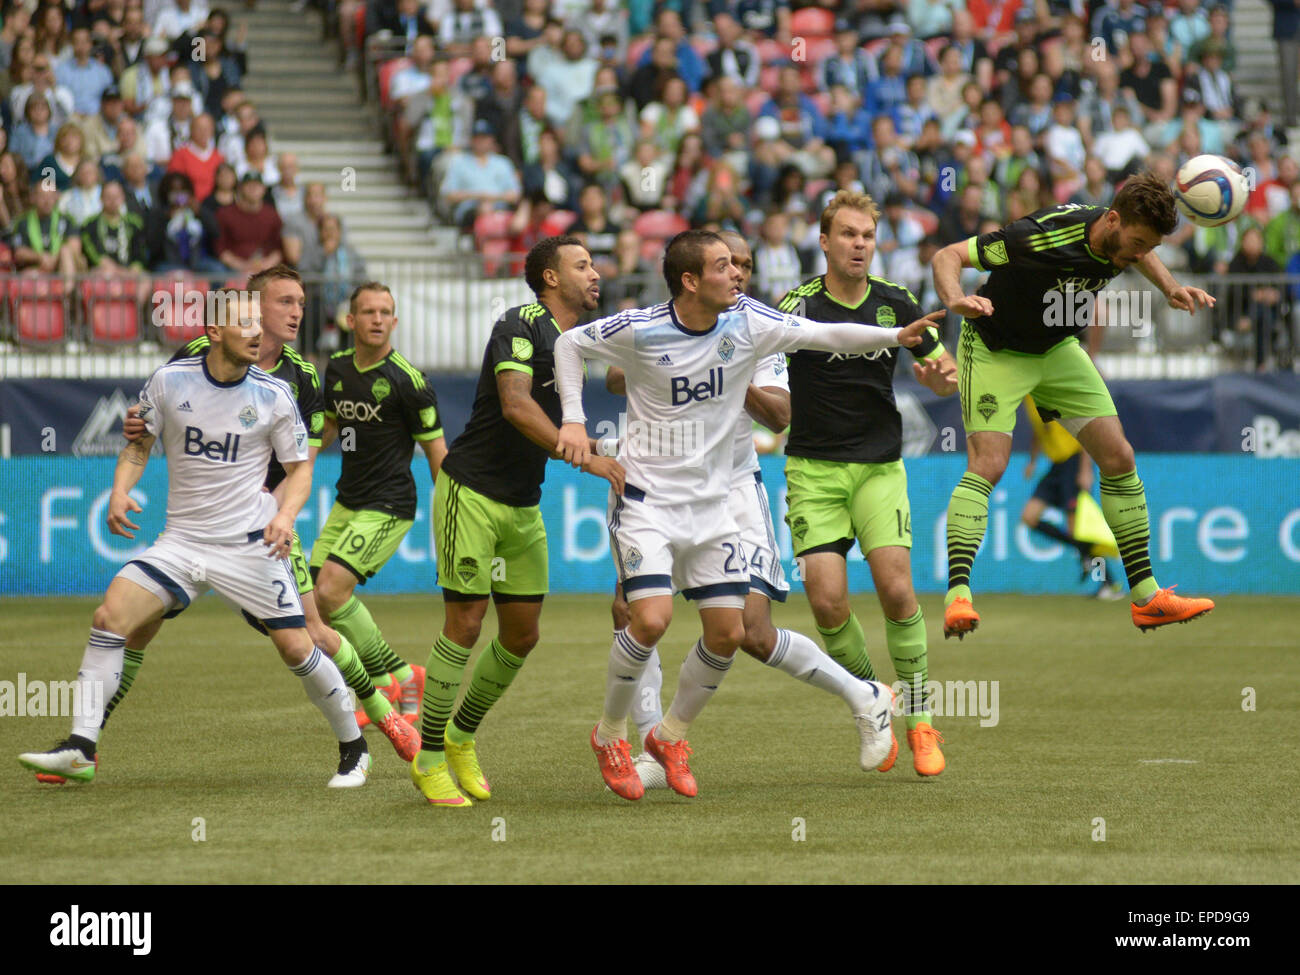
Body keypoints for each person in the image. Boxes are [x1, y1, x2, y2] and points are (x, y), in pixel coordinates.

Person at [553, 230, 937, 800]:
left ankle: (679, 734)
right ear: (691, 278)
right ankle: (629, 738)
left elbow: (802, 372)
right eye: (726, 265)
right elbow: (582, 350)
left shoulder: (755, 324)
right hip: (651, 497)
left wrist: (894, 336)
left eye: (744, 265)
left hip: (724, 496)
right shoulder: (645, 326)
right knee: (642, 615)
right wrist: (579, 415)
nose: (739, 274)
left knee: (739, 631)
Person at [51, 267, 422, 786]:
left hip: (262, 528)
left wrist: (282, 515)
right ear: (248, 311)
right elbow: (152, 419)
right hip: (190, 533)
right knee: (130, 625)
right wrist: (136, 437)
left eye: (300, 302)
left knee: (308, 635)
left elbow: (303, 461)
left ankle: (383, 718)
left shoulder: (299, 379)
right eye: (285, 302)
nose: (297, 312)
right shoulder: (185, 364)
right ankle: (84, 742)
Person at [930, 172, 1217, 638]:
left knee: (1119, 457)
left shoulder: (1128, 240)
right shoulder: (1037, 236)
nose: (1141, 254)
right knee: (989, 464)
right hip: (994, 349)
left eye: (1150, 246)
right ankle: (958, 596)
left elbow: (1144, 253)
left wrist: (1169, 287)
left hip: (1057, 348)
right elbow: (948, 256)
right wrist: (956, 299)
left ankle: (1146, 598)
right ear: (1112, 220)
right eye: (1138, 242)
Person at [410, 236, 625, 807]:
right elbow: (514, 403)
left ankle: (461, 736)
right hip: (471, 491)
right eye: (582, 266)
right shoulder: (520, 323)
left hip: (523, 502)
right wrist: (582, 453)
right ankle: (428, 757)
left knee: (522, 634)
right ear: (551, 278)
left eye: (594, 265)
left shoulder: (579, 339)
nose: (595, 274)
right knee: (466, 622)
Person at [775, 191, 959, 775]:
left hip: (880, 466)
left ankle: (922, 720)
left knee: (897, 591)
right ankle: (872, 705)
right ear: (824, 242)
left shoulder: (898, 302)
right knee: (827, 603)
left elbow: (944, 374)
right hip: (812, 467)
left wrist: (941, 380)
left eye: (867, 236)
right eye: (848, 234)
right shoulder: (795, 307)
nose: (859, 244)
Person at [313, 283, 445, 728]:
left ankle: (383, 681)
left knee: (331, 590)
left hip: (389, 504)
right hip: (346, 501)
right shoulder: (336, 369)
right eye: (367, 311)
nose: (376, 318)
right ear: (350, 321)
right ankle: (406, 675)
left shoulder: (409, 381)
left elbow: (435, 452)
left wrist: (451, 514)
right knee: (314, 601)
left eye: (384, 312)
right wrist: (299, 460)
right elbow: (330, 425)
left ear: (394, 321)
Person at [1020, 395, 1124, 600]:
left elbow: (1084, 430)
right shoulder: (1026, 397)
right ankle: (1084, 554)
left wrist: (1085, 469)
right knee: (1029, 517)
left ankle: (1109, 584)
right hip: (1056, 467)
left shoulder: (1050, 391)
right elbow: (1039, 431)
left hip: (1074, 462)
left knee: (1077, 529)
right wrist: (1032, 460)